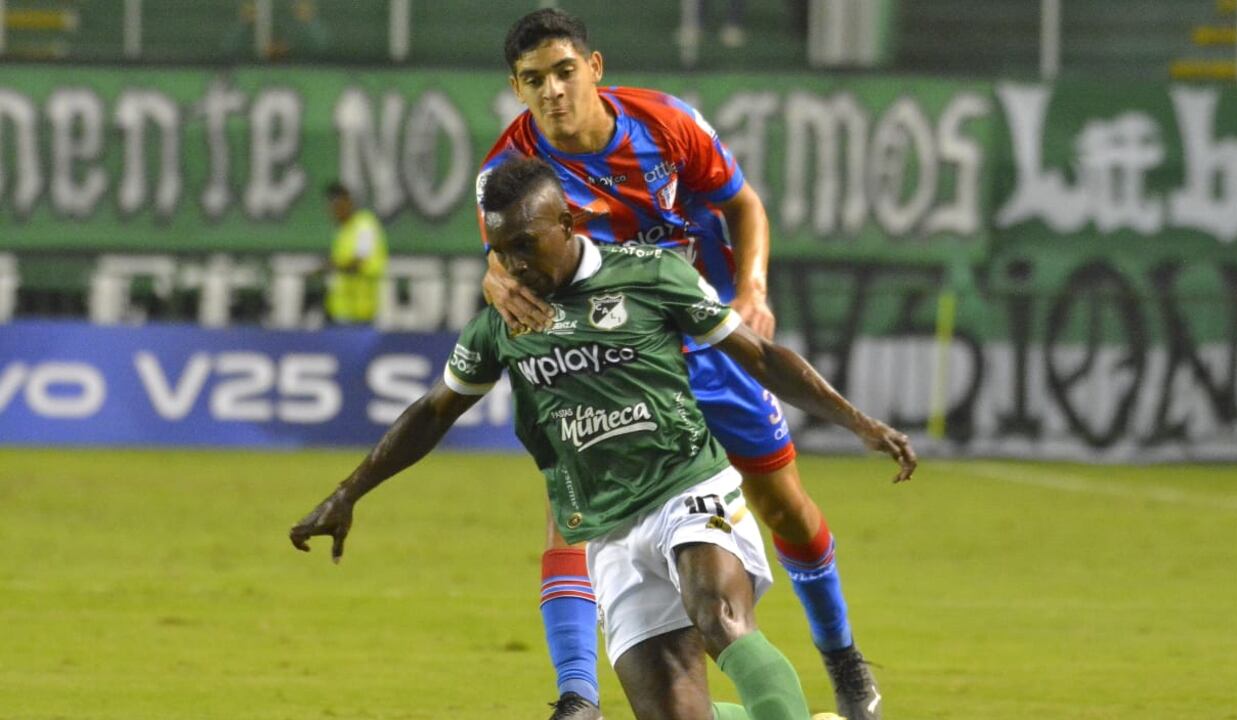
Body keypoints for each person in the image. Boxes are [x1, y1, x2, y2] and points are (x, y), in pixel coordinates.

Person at [289, 157, 916, 720]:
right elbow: (432, 413)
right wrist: (348, 493)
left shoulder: (650, 275)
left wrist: (857, 420)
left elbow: (760, 357)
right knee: (674, 711)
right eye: (501, 251)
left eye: (526, 245)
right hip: (605, 527)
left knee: (719, 616)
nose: (513, 267)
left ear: (568, 222)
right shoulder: (500, 324)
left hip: (688, 488)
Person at [479, 9, 885, 719]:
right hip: (609, 358)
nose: (553, 91)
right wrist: (493, 277)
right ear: (517, 88)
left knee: (781, 502)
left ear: (594, 68)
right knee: (570, 510)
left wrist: (752, 288)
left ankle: (844, 660)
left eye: (564, 71)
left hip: (704, 335)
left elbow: (743, 204)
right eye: (534, 80)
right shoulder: (510, 171)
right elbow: (500, 253)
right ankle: (577, 697)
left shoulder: (666, 125)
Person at [322, 182, 387, 325]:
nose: (334, 211)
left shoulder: (365, 225)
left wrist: (331, 266)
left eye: (337, 205)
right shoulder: (342, 230)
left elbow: (359, 262)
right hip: (341, 312)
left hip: (362, 312)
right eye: (331, 206)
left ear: (348, 202)